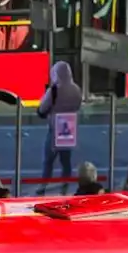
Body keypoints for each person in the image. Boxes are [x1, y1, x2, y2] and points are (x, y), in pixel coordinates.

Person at [37, 61, 82, 195]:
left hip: (55, 127)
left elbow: (43, 108)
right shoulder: (76, 89)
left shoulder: (54, 90)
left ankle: (42, 187)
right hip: (69, 128)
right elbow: (78, 105)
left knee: (48, 160)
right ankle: (64, 188)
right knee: (66, 161)